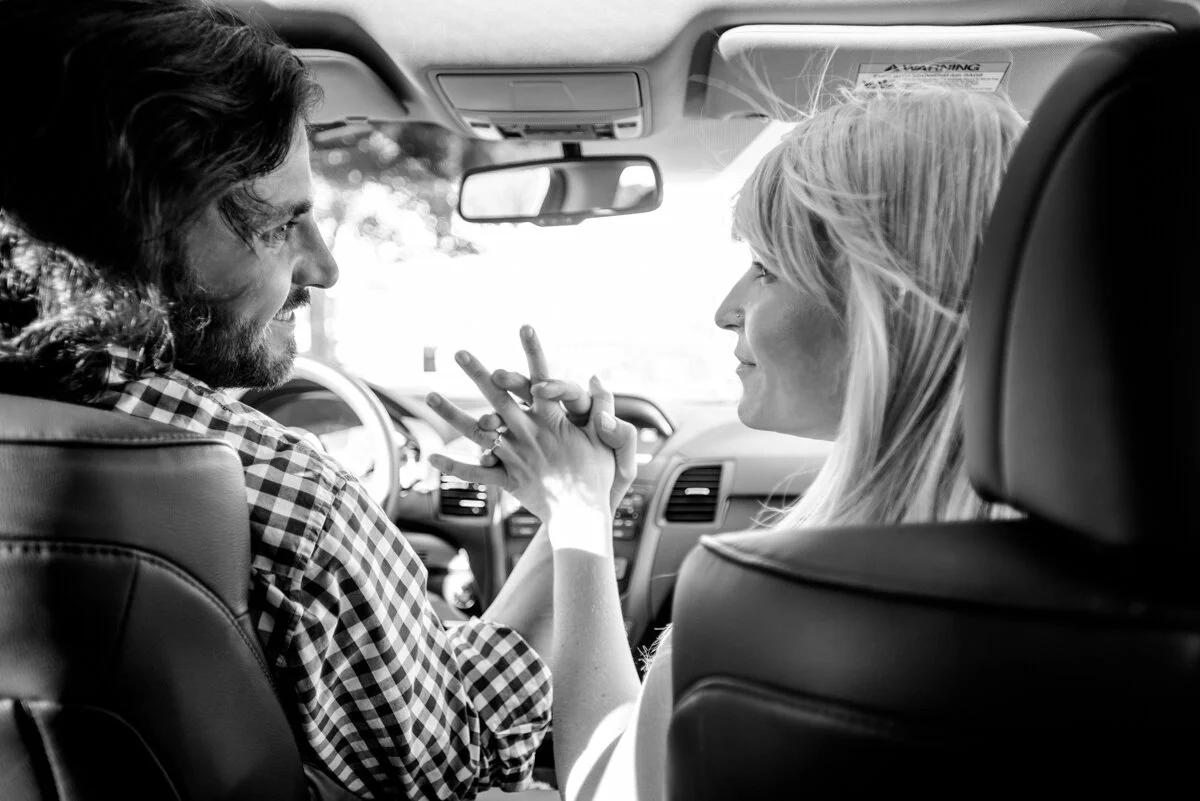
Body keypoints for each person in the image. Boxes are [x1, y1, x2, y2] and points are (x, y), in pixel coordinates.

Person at [0, 1, 586, 798]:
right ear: (145, 233)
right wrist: (575, 510)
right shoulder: (293, 507)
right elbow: (465, 763)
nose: (325, 267)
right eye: (281, 226)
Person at [429, 84, 1026, 800]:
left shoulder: (758, 615)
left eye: (766, 268)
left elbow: (603, 782)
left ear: (879, 306)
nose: (725, 309)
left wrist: (580, 516)